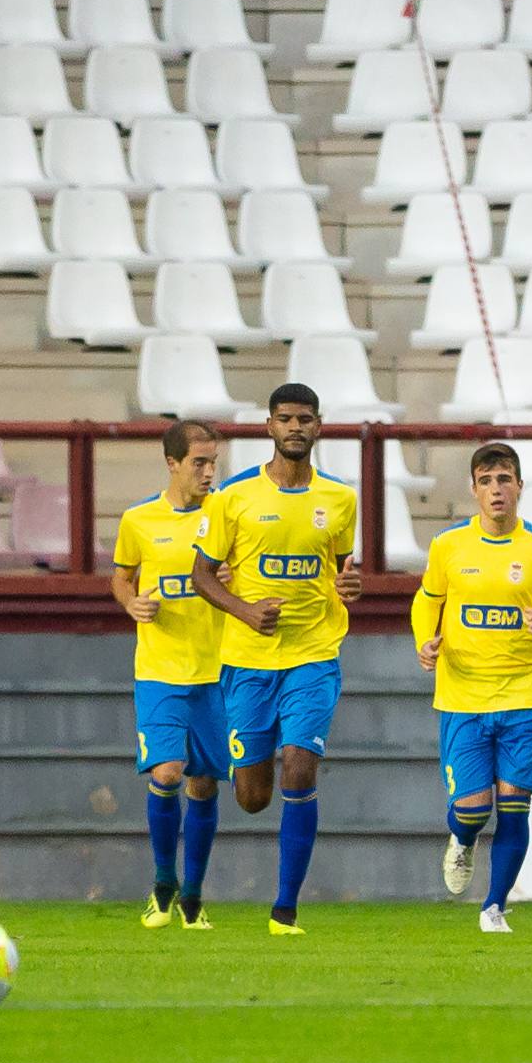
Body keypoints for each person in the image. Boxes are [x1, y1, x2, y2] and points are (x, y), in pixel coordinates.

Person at [190, 384, 362, 935]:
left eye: (304, 419)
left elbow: (341, 571)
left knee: (300, 765)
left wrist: (350, 586)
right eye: (285, 418)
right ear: (268, 426)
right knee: (252, 796)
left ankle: (285, 909)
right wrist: (243, 611)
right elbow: (200, 575)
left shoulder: (340, 499)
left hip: (313, 654)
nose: (295, 427)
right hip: (247, 660)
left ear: (319, 427)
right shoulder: (233, 498)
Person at [411, 443, 532, 933]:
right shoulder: (448, 546)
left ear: (519, 487)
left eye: (504, 479)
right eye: (486, 481)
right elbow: (427, 603)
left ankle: (494, 905)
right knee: (471, 810)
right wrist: (425, 641)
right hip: (463, 696)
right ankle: (462, 841)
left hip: (525, 694)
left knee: (514, 805)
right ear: (473, 489)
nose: (496, 490)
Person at [112, 418, 227, 930]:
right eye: (199, 462)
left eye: (213, 462)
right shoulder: (139, 520)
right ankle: (162, 883)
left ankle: (194, 897)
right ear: (173, 463)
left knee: (203, 785)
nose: (208, 472)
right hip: (159, 668)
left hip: (217, 670)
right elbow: (121, 576)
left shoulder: (227, 516)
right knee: (168, 772)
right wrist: (131, 602)